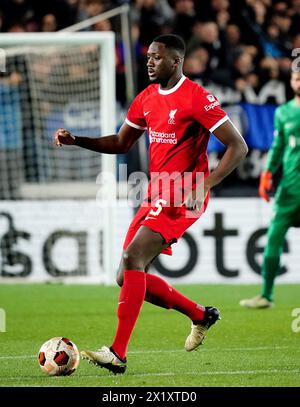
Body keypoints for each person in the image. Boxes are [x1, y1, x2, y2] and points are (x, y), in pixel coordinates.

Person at [54, 34, 248, 374]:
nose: (149, 62)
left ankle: (118, 353)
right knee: (126, 275)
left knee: (132, 257)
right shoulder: (145, 98)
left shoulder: (197, 98)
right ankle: (201, 315)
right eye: (148, 57)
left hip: (184, 193)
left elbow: (238, 146)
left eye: (156, 57)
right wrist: (77, 141)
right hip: (156, 193)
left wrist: (206, 184)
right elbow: (120, 142)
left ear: (174, 61)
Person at [240, 70, 300, 309]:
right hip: (289, 189)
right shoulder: (283, 112)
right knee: (274, 237)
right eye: (297, 78)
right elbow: (277, 147)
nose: (299, 82)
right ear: (291, 82)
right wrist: (267, 174)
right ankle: (266, 295)